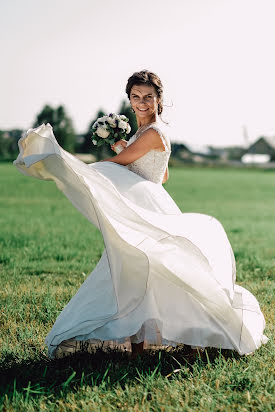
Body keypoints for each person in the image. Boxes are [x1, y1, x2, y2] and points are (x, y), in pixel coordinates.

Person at [14, 70, 268, 360]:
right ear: (130, 100)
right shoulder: (144, 135)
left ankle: (183, 343)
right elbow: (164, 174)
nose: (142, 102)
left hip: (150, 206)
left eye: (148, 96)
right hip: (149, 200)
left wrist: (85, 164)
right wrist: (128, 149)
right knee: (139, 271)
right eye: (136, 97)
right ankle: (151, 346)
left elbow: (120, 164)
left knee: (151, 271)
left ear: (159, 99)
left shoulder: (155, 133)